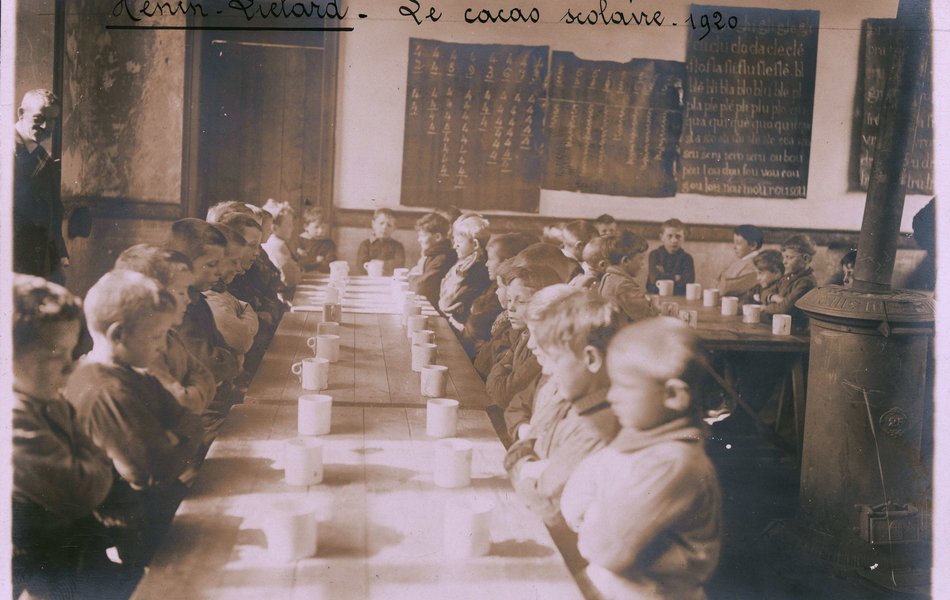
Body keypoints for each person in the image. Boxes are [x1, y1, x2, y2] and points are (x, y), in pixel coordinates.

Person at [561, 317, 722, 600]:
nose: (611, 396)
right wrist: (600, 515)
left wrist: (592, 513)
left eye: (624, 386)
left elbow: (606, 549)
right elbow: (573, 496)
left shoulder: (674, 462)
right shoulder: (638, 440)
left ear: (673, 395)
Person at [63, 271, 204, 566]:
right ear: (118, 334)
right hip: (138, 524)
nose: (163, 346)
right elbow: (154, 470)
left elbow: (189, 419)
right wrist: (177, 437)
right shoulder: (104, 392)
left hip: (159, 503)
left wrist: (173, 438)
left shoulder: (133, 373)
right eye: (156, 336)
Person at [11, 275, 137, 599]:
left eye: (70, 353)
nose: (69, 368)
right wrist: (93, 462)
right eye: (55, 357)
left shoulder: (49, 400)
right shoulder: (13, 418)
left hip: (74, 548)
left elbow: (91, 467)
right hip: (43, 568)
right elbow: (81, 489)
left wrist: (90, 463)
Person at [503, 288, 622, 527]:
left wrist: (524, 468)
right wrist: (531, 468)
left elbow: (546, 505)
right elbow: (517, 452)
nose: (546, 371)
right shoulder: (565, 397)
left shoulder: (597, 427)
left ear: (591, 359)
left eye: (555, 359)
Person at [113, 245, 216, 417]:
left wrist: (194, 385)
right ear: (154, 295)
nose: (189, 300)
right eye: (182, 292)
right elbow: (186, 404)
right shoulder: (146, 349)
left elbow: (207, 377)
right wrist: (196, 383)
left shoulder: (171, 336)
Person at [166, 219, 241, 386]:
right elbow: (209, 364)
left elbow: (223, 347)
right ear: (183, 264)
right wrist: (233, 361)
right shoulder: (180, 308)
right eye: (212, 265)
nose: (219, 271)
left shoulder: (198, 299)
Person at [486, 265, 562, 409]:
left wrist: (501, 369)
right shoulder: (524, 334)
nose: (511, 308)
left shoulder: (542, 346)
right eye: (509, 300)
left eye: (521, 302)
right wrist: (503, 369)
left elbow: (502, 393)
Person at [13, 90, 68, 283]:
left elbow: (54, 208)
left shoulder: (42, 156)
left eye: (53, 120)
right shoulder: (6, 150)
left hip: (38, 258)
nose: (46, 126)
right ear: (21, 114)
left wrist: (60, 255)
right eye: (39, 118)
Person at [459, 232, 537, 358]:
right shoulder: (493, 286)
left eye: (490, 259)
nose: (486, 264)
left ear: (504, 263)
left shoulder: (505, 295)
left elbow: (476, 324)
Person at [206, 224, 260, 368]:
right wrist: (245, 313)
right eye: (234, 262)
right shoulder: (210, 296)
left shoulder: (221, 290)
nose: (238, 268)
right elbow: (242, 341)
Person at [439, 214, 492, 330]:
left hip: (463, 329)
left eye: (458, 242)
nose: (454, 246)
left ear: (475, 244)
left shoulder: (475, 270)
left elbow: (445, 304)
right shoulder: (464, 263)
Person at [594, 231, 655, 323]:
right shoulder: (623, 285)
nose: (643, 263)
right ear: (625, 261)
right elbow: (650, 315)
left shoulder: (609, 277)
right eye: (641, 258)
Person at [763, 234, 818, 330]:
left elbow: (785, 309)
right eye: (784, 257)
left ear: (805, 259)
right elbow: (765, 293)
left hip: (794, 330)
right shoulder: (787, 277)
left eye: (789, 257)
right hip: (779, 326)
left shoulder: (806, 282)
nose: (784, 261)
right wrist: (774, 297)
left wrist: (765, 308)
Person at [407, 211, 457, 310]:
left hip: (436, 310)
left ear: (437, 237)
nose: (419, 239)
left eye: (422, 235)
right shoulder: (432, 254)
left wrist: (410, 277)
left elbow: (419, 287)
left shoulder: (442, 258)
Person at [261, 199, 303, 291]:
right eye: (289, 224)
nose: (292, 228)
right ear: (274, 228)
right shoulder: (277, 245)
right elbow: (291, 279)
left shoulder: (273, 242)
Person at [647, 218, 695, 295]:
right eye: (669, 236)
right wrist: (677, 277)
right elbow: (654, 278)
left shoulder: (687, 258)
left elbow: (688, 282)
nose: (674, 240)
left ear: (684, 238)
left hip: (680, 298)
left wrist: (664, 276)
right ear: (662, 237)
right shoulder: (655, 255)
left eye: (678, 236)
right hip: (656, 296)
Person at [716, 224, 764, 297]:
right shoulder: (739, 261)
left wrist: (722, 281)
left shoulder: (756, 264)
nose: (734, 247)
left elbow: (724, 289)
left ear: (753, 246)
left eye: (738, 243)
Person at [357, 207, 405, 275]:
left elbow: (399, 264)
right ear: (373, 224)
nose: (384, 227)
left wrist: (381, 264)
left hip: (389, 280)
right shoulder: (366, 244)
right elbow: (361, 266)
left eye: (389, 225)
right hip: (370, 279)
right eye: (381, 223)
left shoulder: (397, 246)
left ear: (394, 228)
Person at [296, 205, 338, 273]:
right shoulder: (298, 241)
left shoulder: (329, 244)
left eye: (323, 227)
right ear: (306, 227)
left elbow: (330, 264)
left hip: (322, 275)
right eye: (316, 227)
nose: (320, 231)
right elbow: (297, 261)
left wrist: (309, 262)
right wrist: (315, 260)